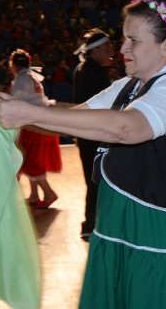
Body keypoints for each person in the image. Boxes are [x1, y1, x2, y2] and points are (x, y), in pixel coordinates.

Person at [0, 0, 166, 308]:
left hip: (161, 239)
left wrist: (30, 114)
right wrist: (8, 109)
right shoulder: (129, 85)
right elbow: (75, 116)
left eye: (133, 41)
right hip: (120, 227)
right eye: (123, 39)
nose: (123, 49)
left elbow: (125, 128)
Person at [72, 28, 116, 240]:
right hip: (94, 134)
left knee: (94, 179)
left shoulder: (83, 68)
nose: (111, 51)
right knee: (97, 179)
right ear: (96, 50)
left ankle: (92, 223)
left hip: (86, 134)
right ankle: (92, 224)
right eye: (107, 47)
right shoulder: (95, 72)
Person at [7, 49, 61, 208]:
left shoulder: (20, 79)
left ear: (13, 65)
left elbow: (15, 104)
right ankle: (34, 195)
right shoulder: (31, 77)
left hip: (32, 125)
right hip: (39, 122)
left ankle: (49, 194)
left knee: (30, 160)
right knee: (32, 159)